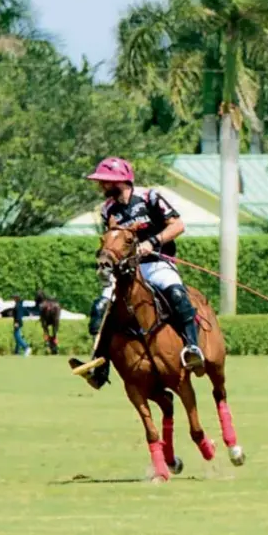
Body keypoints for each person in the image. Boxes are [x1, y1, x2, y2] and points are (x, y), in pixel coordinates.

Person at [71, 157, 205, 391]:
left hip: (157, 263)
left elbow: (178, 225)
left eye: (105, 181)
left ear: (120, 181)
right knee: (101, 309)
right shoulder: (108, 210)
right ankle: (99, 368)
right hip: (126, 271)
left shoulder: (149, 197)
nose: (101, 185)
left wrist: (153, 242)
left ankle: (192, 348)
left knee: (177, 295)